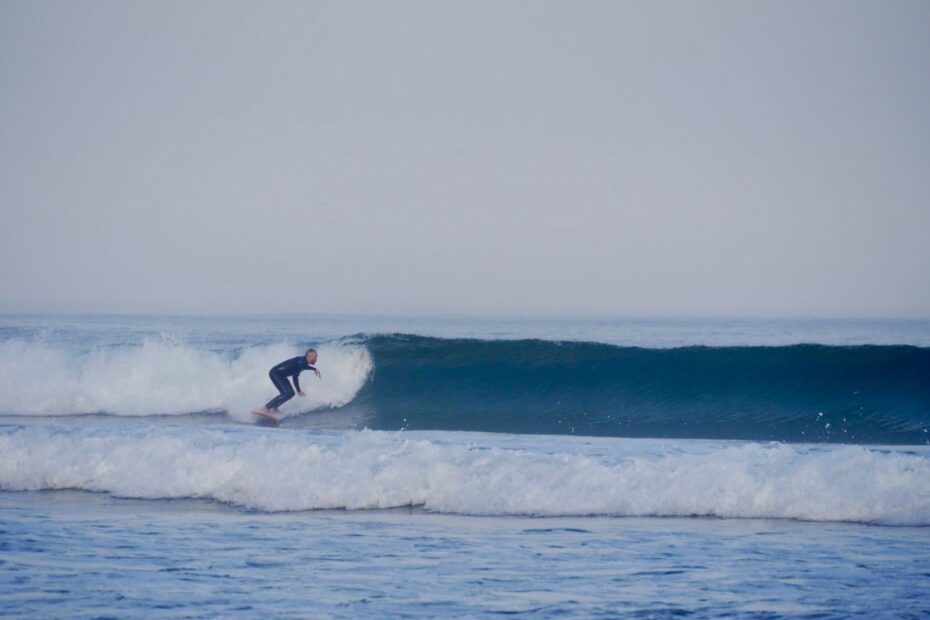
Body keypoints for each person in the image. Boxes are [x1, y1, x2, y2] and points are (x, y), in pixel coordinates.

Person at [253, 348, 321, 418]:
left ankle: (274, 408)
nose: (316, 359)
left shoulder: (302, 364)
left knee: (291, 393)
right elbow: (302, 365)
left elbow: (295, 377)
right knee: (286, 393)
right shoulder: (301, 361)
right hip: (275, 374)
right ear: (309, 356)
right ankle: (265, 408)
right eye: (315, 357)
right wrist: (314, 369)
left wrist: (298, 390)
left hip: (281, 376)